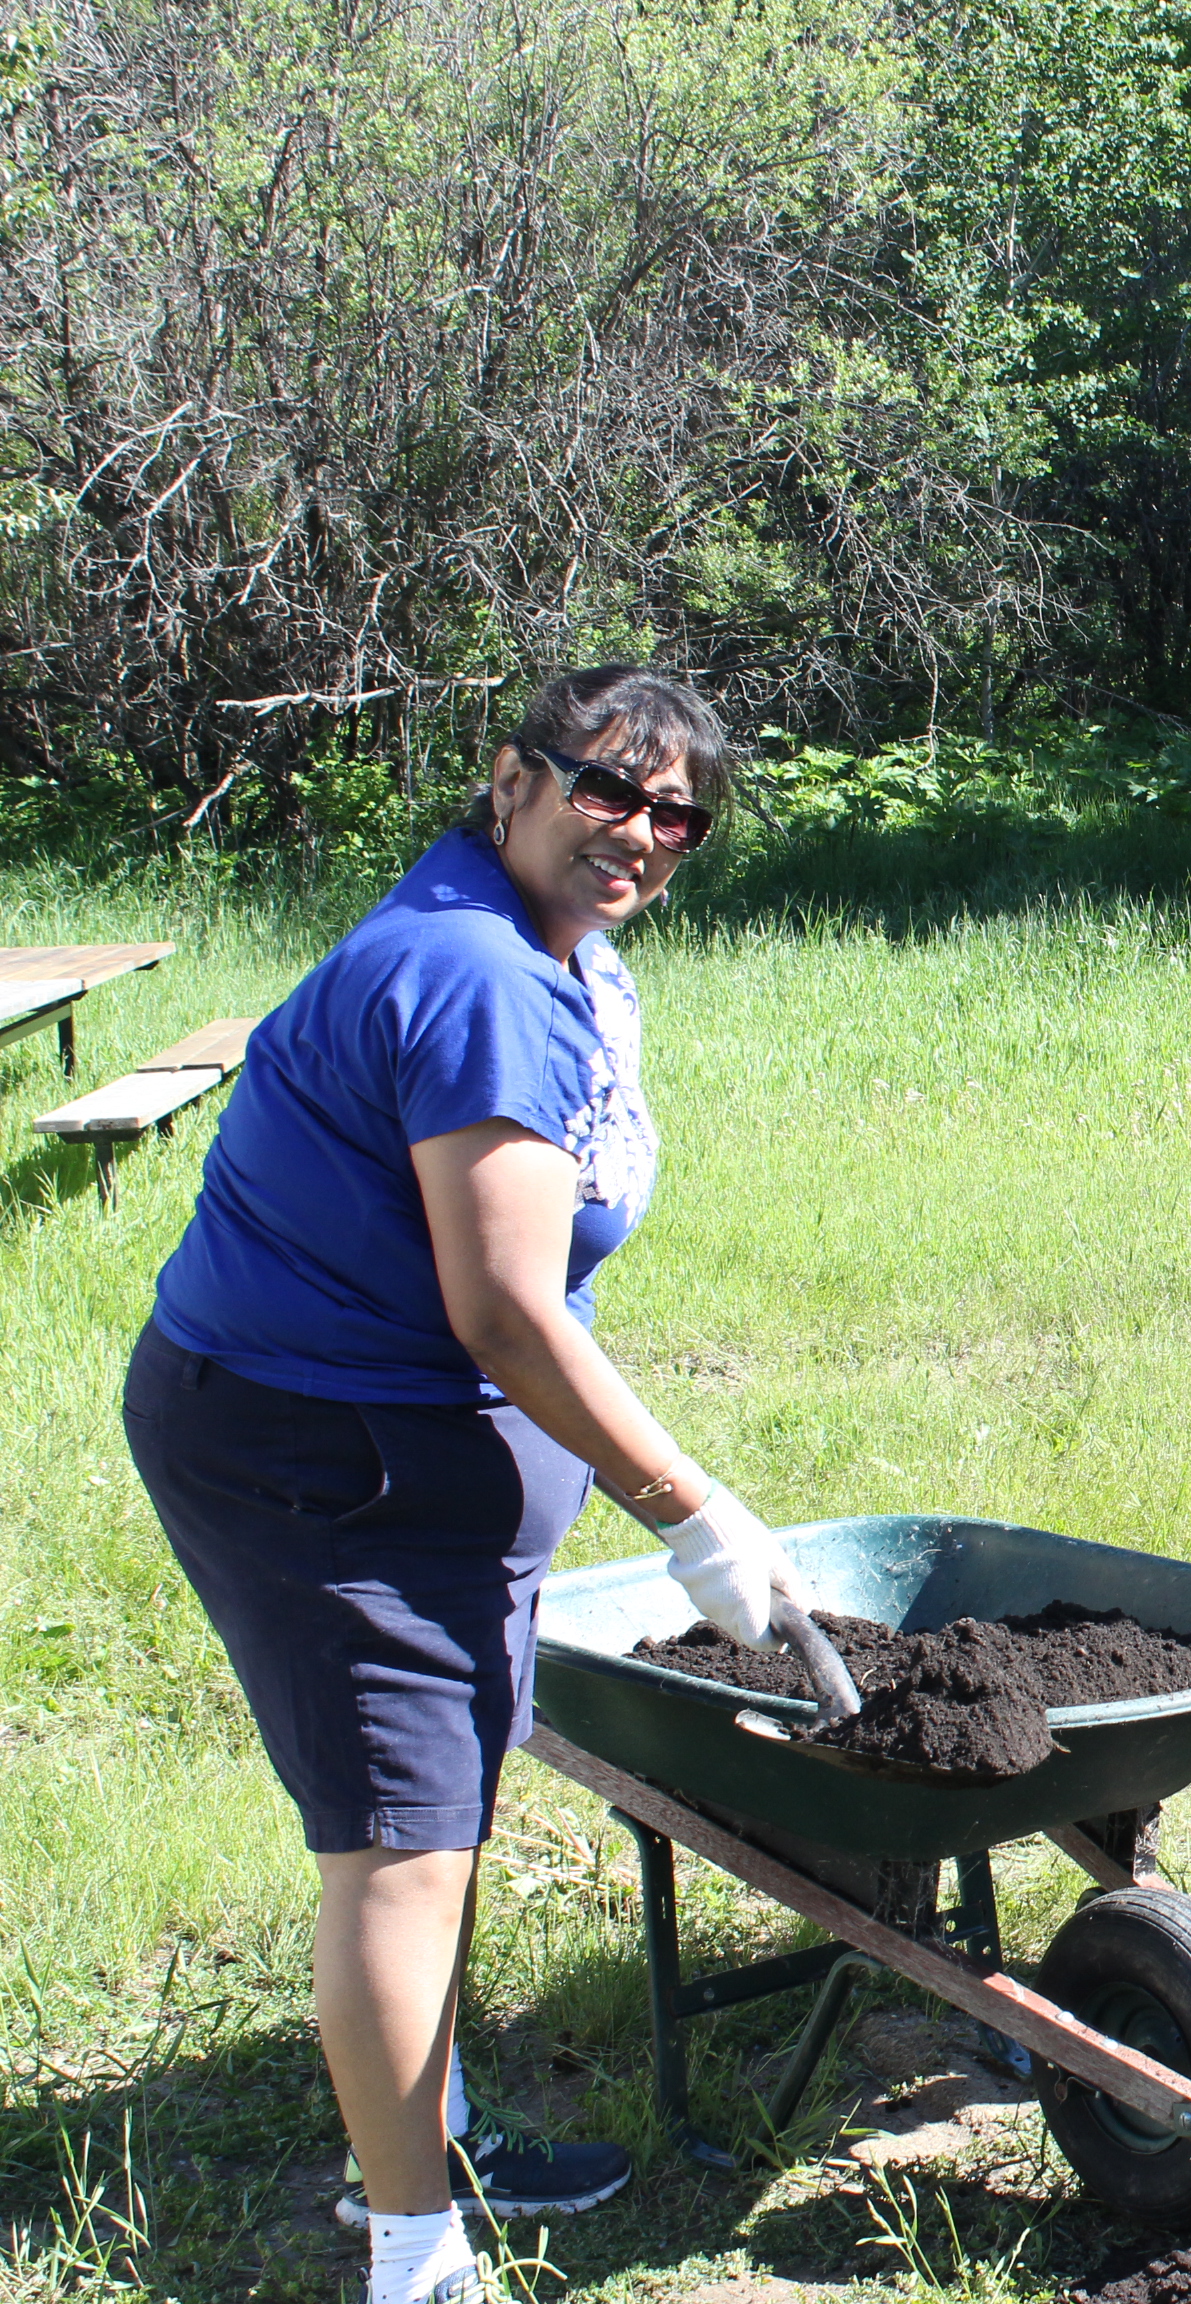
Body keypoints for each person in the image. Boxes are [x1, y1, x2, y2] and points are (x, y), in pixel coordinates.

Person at [124, 670, 798, 2304]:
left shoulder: (532, 945)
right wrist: (686, 1505)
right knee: (403, 1842)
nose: (640, 829)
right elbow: (499, 1300)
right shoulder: (474, 971)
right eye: (608, 788)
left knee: (435, 1808)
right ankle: (413, 2250)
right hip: (317, 1451)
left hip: (390, 1440)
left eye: (677, 812)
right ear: (513, 776)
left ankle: (421, 2131)